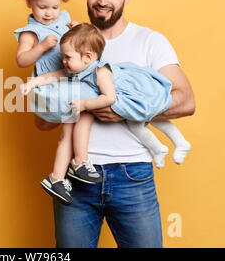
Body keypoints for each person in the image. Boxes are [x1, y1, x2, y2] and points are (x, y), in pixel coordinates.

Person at [40, 0, 195, 248]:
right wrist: (59, 92)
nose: (103, 0)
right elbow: (42, 122)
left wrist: (122, 110)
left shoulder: (150, 41)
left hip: (131, 176)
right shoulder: (66, 42)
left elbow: (186, 100)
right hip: (75, 178)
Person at [21, 23, 191, 205]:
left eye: (67, 57)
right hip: (108, 101)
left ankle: (173, 144)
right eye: (63, 56)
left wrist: (85, 104)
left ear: (87, 57)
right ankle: (61, 175)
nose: (63, 61)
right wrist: (31, 84)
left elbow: (109, 98)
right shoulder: (75, 69)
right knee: (73, 130)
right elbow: (54, 75)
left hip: (130, 94)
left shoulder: (100, 72)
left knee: (146, 113)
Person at [13, 0, 101, 204]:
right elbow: (21, 60)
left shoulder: (63, 19)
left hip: (70, 78)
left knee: (73, 127)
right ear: (29, 1)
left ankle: (61, 174)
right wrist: (41, 46)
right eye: (43, 7)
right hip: (52, 85)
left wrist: (77, 30)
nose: (49, 13)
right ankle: (76, 164)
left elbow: (78, 43)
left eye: (55, 6)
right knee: (80, 116)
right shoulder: (31, 31)